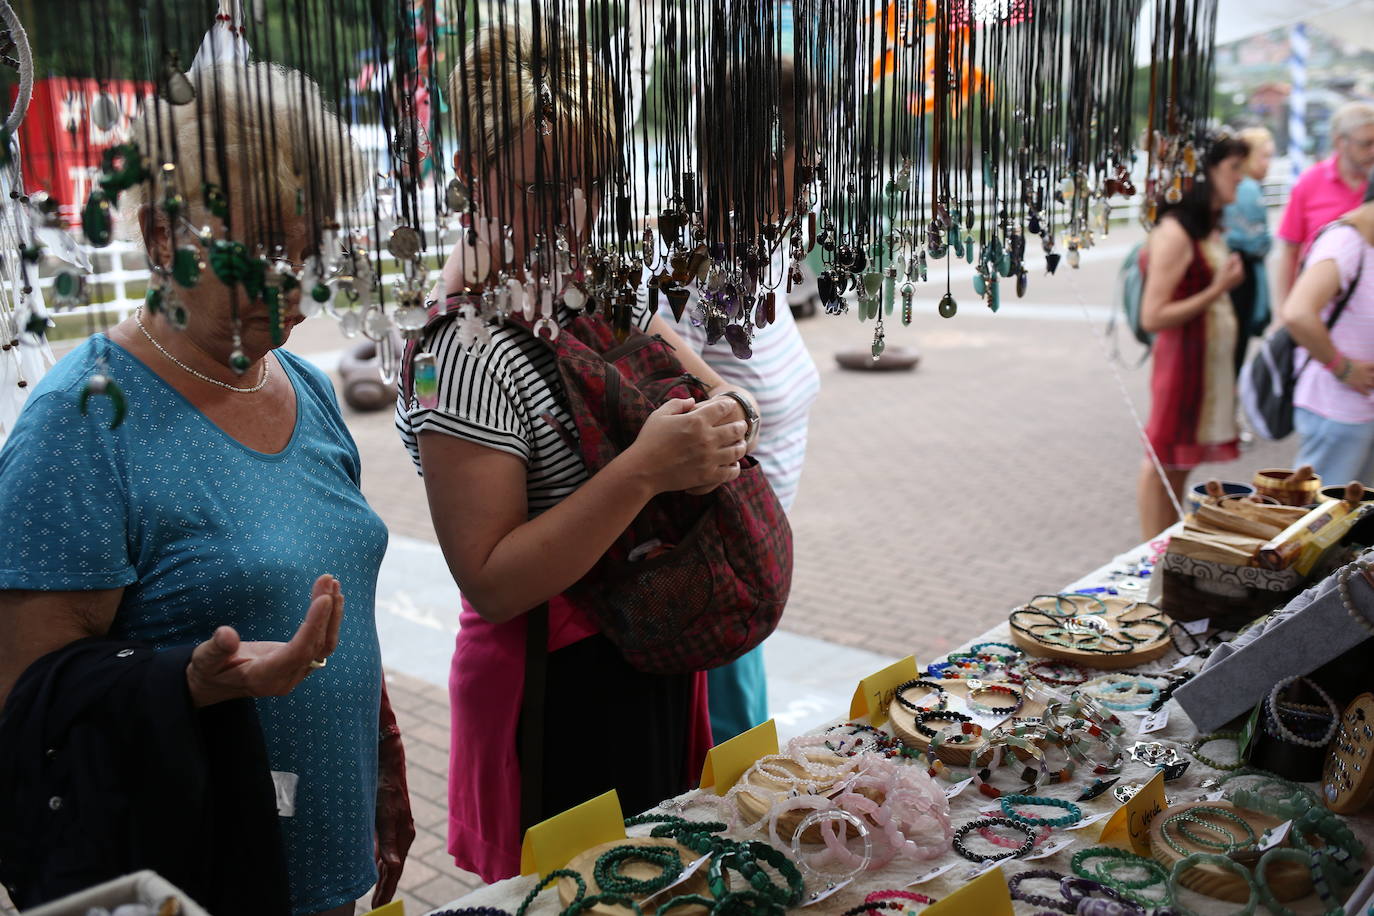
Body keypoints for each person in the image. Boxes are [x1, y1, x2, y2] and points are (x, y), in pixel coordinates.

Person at [0, 62, 413, 915]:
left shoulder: (306, 386)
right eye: (261, 256)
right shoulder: (81, 420)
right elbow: (23, 704)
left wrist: (379, 764)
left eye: (310, 251)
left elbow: (334, 611)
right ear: (160, 236)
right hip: (194, 875)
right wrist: (184, 683)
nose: (294, 289)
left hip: (334, 866)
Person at [394, 23, 761, 882]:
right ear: (468, 178)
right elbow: (490, 574)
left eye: (589, 183)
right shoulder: (461, 350)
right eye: (538, 186)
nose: (570, 212)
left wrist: (726, 425)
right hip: (554, 697)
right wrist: (647, 471)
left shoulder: (593, 290)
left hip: (649, 658)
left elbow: (724, 398)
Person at [656, 58, 820, 743]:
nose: (813, 162)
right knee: (727, 770)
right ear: (754, 149)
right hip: (709, 572)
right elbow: (654, 346)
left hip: (746, 567)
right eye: (800, 145)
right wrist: (729, 397)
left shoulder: (765, 250)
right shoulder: (690, 255)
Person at [1137, 133, 1251, 539]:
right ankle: (1153, 554)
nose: (1243, 177)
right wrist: (1217, 289)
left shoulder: (1203, 229)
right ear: (1205, 174)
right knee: (1162, 460)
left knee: (1179, 464)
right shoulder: (1175, 233)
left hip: (1202, 363)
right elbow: (1153, 315)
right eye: (1233, 168)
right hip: (1183, 363)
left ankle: (1168, 546)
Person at [1284, 172, 1374, 485]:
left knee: (1355, 519)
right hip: (1337, 410)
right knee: (1319, 519)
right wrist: (1342, 367)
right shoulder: (1346, 242)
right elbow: (1297, 312)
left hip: (1359, 411)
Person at [1274, 102, 1374, 301]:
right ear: (1339, 142)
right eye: (1366, 144)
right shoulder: (1310, 182)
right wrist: (1283, 311)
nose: (1373, 151)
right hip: (1320, 304)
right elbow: (1290, 251)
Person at [1224, 126, 1276, 375]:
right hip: (1241, 276)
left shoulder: (1240, 187)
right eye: (1264, 156)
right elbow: (1258, 241)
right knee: (1236, 344)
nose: (1269, 163)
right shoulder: (1248, 189)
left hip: (1233, 270)